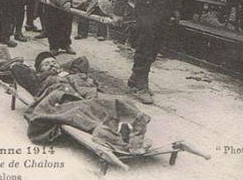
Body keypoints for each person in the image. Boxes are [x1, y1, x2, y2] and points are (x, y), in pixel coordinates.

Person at [11, 52, 151, 153]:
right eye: (46, 64)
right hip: (65, 99)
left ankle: (131, 132)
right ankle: (118, 137)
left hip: (88, 95)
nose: (51, 64)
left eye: (53, 61)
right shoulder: (39, 80)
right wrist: (49, 73)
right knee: (84, 111)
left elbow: (82, 60)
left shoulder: (70, 73)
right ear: (39, 70)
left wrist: (63, 69)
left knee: (119, 102)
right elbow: (17, 68)